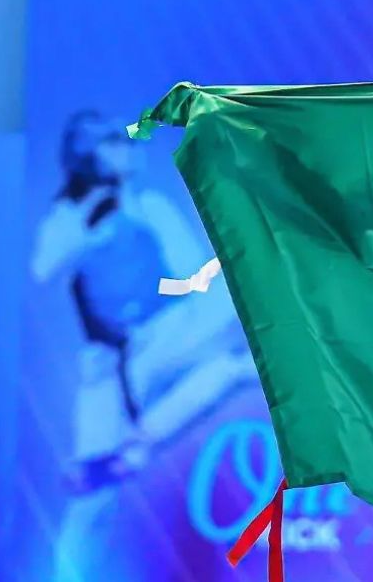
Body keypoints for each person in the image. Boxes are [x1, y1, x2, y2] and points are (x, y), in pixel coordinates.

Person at [30, 111, 256, 579]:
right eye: (113, 143)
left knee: (234, 358)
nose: (128, 150)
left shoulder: (151, 207)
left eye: (126, 142)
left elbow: (193, 276)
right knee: (92, 500)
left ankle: (137, 446)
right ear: (87, 156)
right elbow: (44, 269)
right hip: (108, 364)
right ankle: (73, 562)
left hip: (167, 333)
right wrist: (90, 224)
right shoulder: (68, 218)